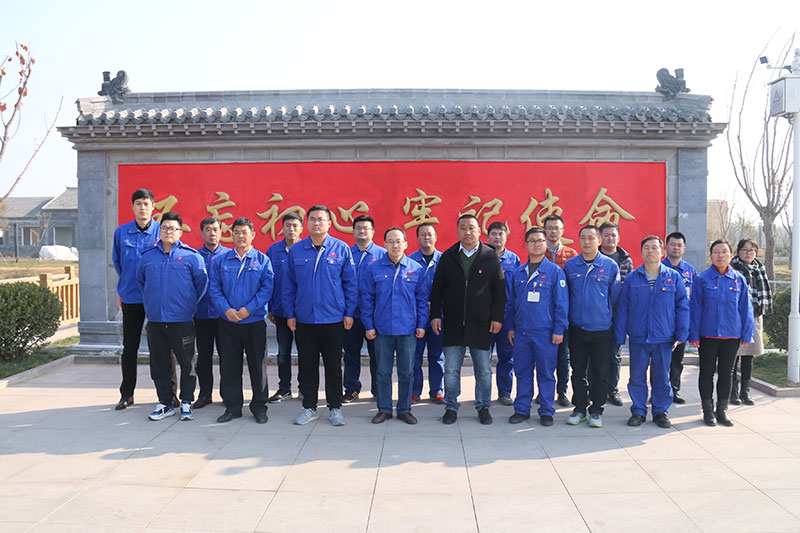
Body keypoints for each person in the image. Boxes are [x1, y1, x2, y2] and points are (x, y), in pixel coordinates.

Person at [283, 205, 358, 426]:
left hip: (333, 319)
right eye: (313, 219)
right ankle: (309, 407)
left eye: (321, 219)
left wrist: (349, 312)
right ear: (307, 223)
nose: (317, 223)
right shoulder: (297, 250)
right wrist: (290, 314)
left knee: (334, 366)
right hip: (304, 319)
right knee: (307, 365)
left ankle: (335, 407)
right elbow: (288, 285)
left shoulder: (341, 248)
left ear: (329, 224)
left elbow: (350, 284)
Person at [429, 214, 506, 425]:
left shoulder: (490, 256)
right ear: (457, 232)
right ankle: (451, 407)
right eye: (463, 228)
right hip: (453, 322)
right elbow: (437, 288)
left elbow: (500, 290)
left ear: (479, 231)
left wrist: (497, 318)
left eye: (472, 228)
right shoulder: (448, 256)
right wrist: (435, 315)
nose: (467, 232)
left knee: (483, 370)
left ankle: (483, 407)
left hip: (481, 323)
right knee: (451, 369)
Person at [136, 212, 208, 421]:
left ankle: (186, 401)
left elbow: (201, 285)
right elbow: (142, 283)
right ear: (159, 231)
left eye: (173, 228)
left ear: (180, 232)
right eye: (165, 228)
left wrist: (187, 306)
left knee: (187, 364)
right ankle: (165, 402)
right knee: (159, 364)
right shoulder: (147, 257)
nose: (169, 231)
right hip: (156, 320)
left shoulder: (191, 257)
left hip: (182, 320)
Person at [614, 236, 689, 429]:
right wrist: (620, 335)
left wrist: (682, 333)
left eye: (654, 248)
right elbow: (623, 308)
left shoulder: (673, 277)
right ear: (641, 252)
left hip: (664, 337)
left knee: (662, 377)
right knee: (637, 377)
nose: (650, 251)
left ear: (662, 252)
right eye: (646, 247)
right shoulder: (632, 278)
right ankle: (638, 411)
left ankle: (660, 411)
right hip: (639, 337)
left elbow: (682, 306)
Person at [208, 217, 274, 424]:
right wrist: (226, 310)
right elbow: (214, 288)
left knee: (258, 366)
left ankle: (259, 407)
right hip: (228, 322)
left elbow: (267, 289)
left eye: (244, 232)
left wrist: (248, 310)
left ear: (252, 235)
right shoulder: (221, 261)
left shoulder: (262, 260)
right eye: (236, 232)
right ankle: (233, 406)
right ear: (231, 235)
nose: (240, 236)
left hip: (254, 323)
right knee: (229, 366)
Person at [361, 227, 428, 424]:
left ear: (406, 244)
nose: (395, 245)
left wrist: (421, 324)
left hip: (408, 330)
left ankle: (405, 409)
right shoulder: (373, 268)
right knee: (383, 372)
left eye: (398, 241)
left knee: (407, 372)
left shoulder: (416, 269)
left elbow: (422, 300)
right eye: (390, 241)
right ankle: (384, 409)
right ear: (384, 245)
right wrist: (369, 325)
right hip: (382, 330)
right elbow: (366, 300)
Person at [505, 227, 568, 426]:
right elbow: (511, 303)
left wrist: (559, 329)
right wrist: (511, 327)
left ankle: (547, 411)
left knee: (546, 373)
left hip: (545, 333)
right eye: (532, 240)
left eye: (540, 240)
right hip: (522, 332)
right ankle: (522, 409)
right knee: (522, 372)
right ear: (526, 245)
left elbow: (561, 304)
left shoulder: (555, 272)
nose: (536, 244)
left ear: (546, 244)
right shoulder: (518, 272)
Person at [689, 239, 755, 427]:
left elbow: (746, 309)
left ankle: (722, 409)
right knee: (706, 372)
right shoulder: (702, 279)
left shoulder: (738, 279)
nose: (720, 256)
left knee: (727, 372)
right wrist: (693, 334)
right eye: (716, 252)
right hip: (707, 334)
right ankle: (708, 410)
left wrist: (747, 334)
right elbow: (695, 308)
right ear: (710, 256)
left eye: (724, 252)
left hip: (731, 335)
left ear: (731, 256)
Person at [564, 225, 621, 428]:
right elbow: (566, 296)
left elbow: (615, 298)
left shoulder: (610, 266)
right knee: (578, 371)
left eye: (591, 238)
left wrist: (604, 315)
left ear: (599, 241)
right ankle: (580, 408)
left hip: (602, 330)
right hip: (577, 328)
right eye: (583, 238)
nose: (587, 242)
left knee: (600, 372)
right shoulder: (571, 266)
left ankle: (596, 410)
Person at [112, 188, 161, 410]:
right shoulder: (121, 233)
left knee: (161, 347)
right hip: (131, 297)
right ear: (132, 207)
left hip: (156, 298)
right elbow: (118, 262)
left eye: (146, 203)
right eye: (138, 203)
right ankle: (127, 394)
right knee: (129, 347)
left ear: (153, 207)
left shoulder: (161, 231)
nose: (143, 207)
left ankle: (167, 394)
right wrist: (130, 282)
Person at [343, 215, 386, 402]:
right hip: (351, 315)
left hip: (375, 316)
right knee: (351, 355)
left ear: (373, 232)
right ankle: (352, 389)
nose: (362, 231)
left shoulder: (382, 254)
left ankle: (379, 389)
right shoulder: (346, 254)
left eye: (366, 228)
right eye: (358, 228)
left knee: (378, 355)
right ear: (353, 231)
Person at [266, 212, 304, 403]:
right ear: (282, 228)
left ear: (301, 228)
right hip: (281, 311)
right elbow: (268, 281)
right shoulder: (273, 251)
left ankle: (305, 387)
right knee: (283, 353)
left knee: (306, 352)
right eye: (288, 225)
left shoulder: (307, 249)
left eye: (295, 225)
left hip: (304, 312)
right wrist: (270, 308)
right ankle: (284, 388)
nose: (291, 229)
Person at [192, 216, 229, 409]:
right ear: (201, 233)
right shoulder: (194, 256)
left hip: (225, 316)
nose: (212, 233)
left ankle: (227, 394)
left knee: (227, 357)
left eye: (215, 229)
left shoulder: (230, 255)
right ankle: (205, 394)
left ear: (221, 232)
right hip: (202, 315)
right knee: (203, 357)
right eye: (207, 229)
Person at [730, 238, 773, 406]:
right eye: (745, 249)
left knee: (749, 355)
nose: (748, 253)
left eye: (752, 250)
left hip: (754, 316)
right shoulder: (732, 268)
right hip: (735, 317)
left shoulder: (759, 269)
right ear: (738, 251)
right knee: (733, 356)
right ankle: (733, 391)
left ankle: (745, 392)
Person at [543, 214, 579, 407]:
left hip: (564, 315)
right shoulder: (539, 253)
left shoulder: (572, 255)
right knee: (544, 356)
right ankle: (544, 391)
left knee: (563, 356)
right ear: (544, 230)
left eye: (556, 228)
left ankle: (562, 392)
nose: (553, 231)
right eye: (549, 228)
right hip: (542, 315)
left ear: (562, 231)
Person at [598, 221, 633, 407]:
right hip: (596, 314)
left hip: (617, 315)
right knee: (595, 355)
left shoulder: (626, 260)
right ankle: (595, 389)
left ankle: (612, 390)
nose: (610, 238)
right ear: (600, 238)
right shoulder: (593, 257)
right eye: (606, 235)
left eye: (613, 235)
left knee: (614, 355)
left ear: (618, 238)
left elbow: (629, 289)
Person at [409, 222, 444, 404]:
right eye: (423, 234)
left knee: (437, 356)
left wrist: (436, 305)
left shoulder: (445, 260)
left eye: (430, 234)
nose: (426, 237)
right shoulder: (409, 261)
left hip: (439, 317)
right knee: (415, 356)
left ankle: (437, 390)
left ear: (436, 237)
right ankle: (415, 391)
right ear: (417, 238)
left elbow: (450, 289)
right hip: (416, 318)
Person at [662, 232, 698, 404]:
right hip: (662, 322)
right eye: (672, 244)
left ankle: (674, 390)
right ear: (666, 247)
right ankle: (658, 390)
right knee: (660, 360)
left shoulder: (690, 271)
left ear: (684, 249)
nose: (676, 248)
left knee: (677, 360)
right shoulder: (659, 267)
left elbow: (695, 298)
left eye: (679, 245)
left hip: (681, 322)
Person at [487, 221, 520, 406]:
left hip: (507, 317)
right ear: (488, 236)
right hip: (485, 316)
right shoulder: (481, 256)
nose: (497, 237)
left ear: (506, 236)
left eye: (501, 234)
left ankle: (505, 392)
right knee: (483, 358)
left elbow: (517, 290)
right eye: (494, 234)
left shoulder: (514, 260)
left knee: (507, 357)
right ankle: (483, 394)